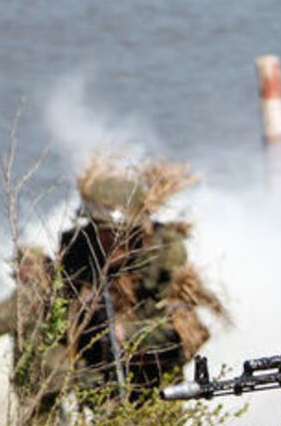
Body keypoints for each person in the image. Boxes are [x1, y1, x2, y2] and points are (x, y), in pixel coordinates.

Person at [59, 157, 225, 399]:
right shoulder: (78, 251)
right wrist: (78, 308)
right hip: (96, 381)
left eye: (119, 233)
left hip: (154, 380)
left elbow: (188, 334)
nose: (110, 241)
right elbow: (55, 318)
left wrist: (128, 333)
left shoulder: (163, 255)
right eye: (103, 232)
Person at [0, 245, 71, 420]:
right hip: (60, 372)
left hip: (37, 375)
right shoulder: (57, 291)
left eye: (22, 264)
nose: (17, 269)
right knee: (57, 420)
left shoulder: (28, 293)